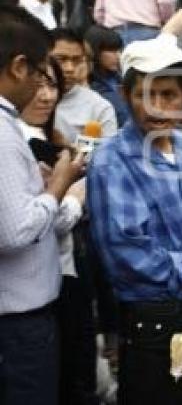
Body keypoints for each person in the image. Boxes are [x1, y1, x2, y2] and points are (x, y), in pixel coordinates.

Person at [87, 37, 182, 405]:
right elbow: (127, 249)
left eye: (169, 94)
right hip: (155, 322)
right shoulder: (112, 159)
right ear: (126, 95)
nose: (157, 107)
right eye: (146, 94)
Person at [0, 2, 85, 404]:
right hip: (16, 326)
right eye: (38, 73)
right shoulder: (3, 132)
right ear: (19, 67)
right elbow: (15, 231)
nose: (42, 88)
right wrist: (61, 185)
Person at [17, 57, 100, 405]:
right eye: (37, 86)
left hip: (67, 273)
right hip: (38, 288)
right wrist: (75, 197)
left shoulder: (50, 137)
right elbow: (32, 224)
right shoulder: (17, 144)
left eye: (52, 86)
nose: (46, 96)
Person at [50, 28, 118, 143]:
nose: (70, 68)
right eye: (61, 59)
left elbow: (108, 156)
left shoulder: (99, 107)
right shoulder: (25, 99)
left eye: (76, 60)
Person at [85, 25, 130, 127]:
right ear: (96, 51)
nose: (118, 56)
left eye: (119, 50)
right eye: (112, 51)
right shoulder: (92, 85)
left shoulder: (118, 78)